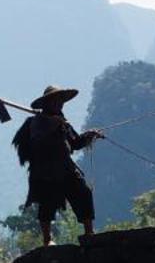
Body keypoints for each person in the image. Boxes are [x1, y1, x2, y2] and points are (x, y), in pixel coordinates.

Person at [11, 84, 104, 245]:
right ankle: (47, 239)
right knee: (47, 203)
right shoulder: (36, 122)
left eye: (60, 101)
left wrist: (89, 136)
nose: (59, 104)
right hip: (44, 170)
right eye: (55, 101)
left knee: (83, 193)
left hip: (66, 167)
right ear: (47, 103)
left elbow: (74, 143)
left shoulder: (63, 122)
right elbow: (37, 141)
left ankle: (89, 232)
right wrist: (52, 125)